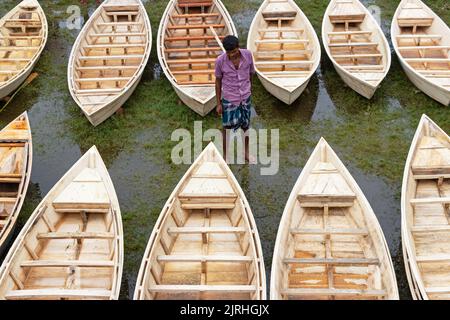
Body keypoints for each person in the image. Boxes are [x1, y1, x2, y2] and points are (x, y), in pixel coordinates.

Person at [215, 35, 256, 163]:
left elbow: (251, 74)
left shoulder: (248, 55)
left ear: (238, 47)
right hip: (229, 99)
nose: (232, 55)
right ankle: (226, 156)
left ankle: (246, 153)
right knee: (226, 129)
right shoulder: (220, 61)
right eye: (229, 53)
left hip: (245, 97)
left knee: (245, 126)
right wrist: (218, 103)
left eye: (234, 52)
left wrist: (249, 90)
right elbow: (218, 82)